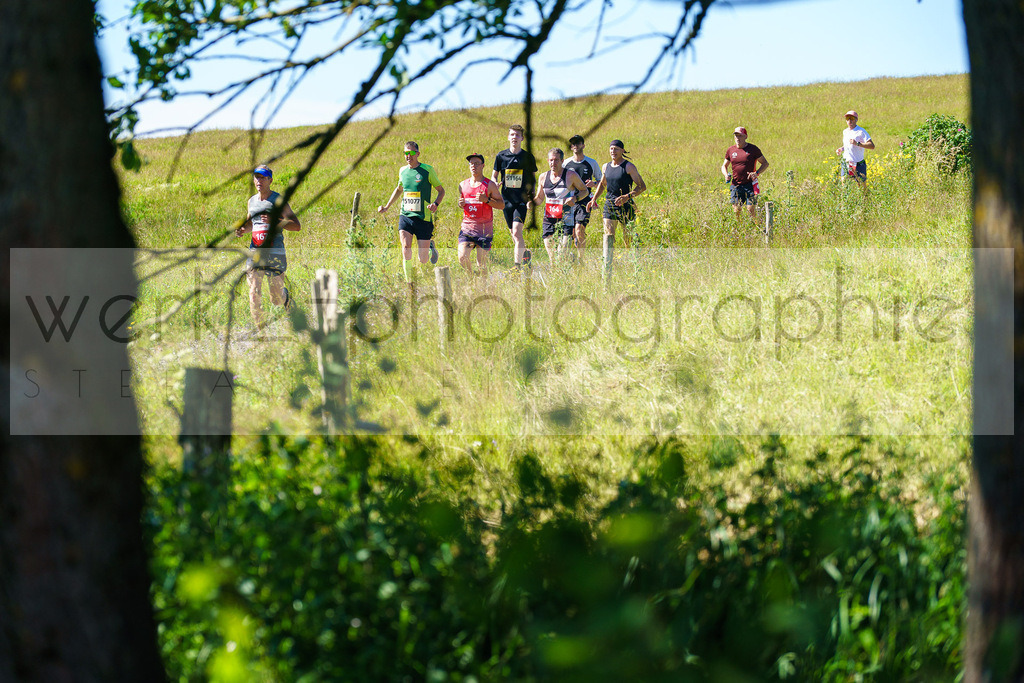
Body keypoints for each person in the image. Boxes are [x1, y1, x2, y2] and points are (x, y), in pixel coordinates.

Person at [235, 164, 301, 330]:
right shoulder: (251, 202)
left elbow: (296, 225)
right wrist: (243, 230)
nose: (259, 180)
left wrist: (276, 221)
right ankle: (260, 333)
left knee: (276, 298)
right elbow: (252, 224)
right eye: (257, 177)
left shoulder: (278, 200)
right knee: (253, 291)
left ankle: (286, 299)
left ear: (270, 180)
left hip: (275, 252)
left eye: (263, 177)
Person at [377, 141, 445, 289]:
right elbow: (399, 189)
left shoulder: (427, 170)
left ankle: (429, 247)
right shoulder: (402, 170)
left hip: (423, 218)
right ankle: (409, 283)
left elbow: (441, 190)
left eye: (411, 153)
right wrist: (387, 206)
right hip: (406, 216)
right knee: (406, 248)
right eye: (406, 153)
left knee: (423, 259)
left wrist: (435, 204)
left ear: (418, 154)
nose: (408, 156)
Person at [491, 124, 537, 269]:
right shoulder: (501, 156)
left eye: (517, 135)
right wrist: (494, 183)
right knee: (514, 234)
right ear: (508, 137)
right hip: (506, 201)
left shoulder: (528, 157)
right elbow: (494, 175)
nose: (514, 138)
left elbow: (532, 179)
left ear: (522, 138)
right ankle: (526, 254)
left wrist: (531, 198)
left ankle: (516, 267)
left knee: (517, 231)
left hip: (521, 201)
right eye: (512, 135)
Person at [533, 148, 589, 262]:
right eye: (551, 160)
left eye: (556, 160)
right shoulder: (543, 177)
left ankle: (570, 260)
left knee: (561, 256)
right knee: (552, 258)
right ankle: (565, 266)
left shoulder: (570, 175)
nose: (553, 163)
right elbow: (539, 198)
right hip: (549, 219)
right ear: (548, 161)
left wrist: (575, 198)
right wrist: (530, 203)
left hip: (566, 218)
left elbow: (585, 191)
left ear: (562, 160)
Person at [588, 139, 646, 249]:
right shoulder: (606, 166)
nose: (613, 151)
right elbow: (603, 183)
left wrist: (627, 196)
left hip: (626, 206)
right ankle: (608, 263)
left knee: (628, 238)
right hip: (609, 205)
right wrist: (594, 199)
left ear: (622, 150)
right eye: (611, 149)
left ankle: (632, 260)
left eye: (616, 149)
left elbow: (642, 186)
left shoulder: (629, 167)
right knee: (608, 236)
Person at [456, 153, 505, 276]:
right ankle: (471, 277)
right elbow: (463, 203)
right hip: (467, 228)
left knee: (482, 265)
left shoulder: (489, 185)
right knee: (462, 257)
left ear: (483, 165)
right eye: (471, 163)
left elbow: (501, 205)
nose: (474, 166)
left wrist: (487, 200)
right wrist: (460, 203)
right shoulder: (462, 185)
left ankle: (482, 288)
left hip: (484, 230)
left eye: (477, 163)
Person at [563, 134, 602, 261]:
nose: (575, 146)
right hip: (569, 201)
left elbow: (602, 181)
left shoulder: (591, 162)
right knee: (571, 232)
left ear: (583, 145)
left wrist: (594, 184)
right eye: (573, 144)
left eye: (578, 143)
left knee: (580, 229)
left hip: (585, 200)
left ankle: (581, 259)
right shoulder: (566, 163)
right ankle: (571, 258)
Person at [721, 126, 769, 227]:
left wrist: (757, 173)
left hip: (749, 184)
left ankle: (757, 227)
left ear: (745, 136)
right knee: (736, 210)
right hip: (735, 185)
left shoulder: (753, 149)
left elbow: (765, 163)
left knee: (750, 209)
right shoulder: (731, 150)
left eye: (740, 136)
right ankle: (739, 228)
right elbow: (724, 166)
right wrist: (726, 175)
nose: (738, 138)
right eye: (736, 136)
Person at [836, 110, 875, 189]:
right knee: (844, 184)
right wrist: (841, 149)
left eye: (852, 118)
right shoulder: (845, 131)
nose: (849, 120)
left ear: (856, 119)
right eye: (847, 118)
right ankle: (846, 200)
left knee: (862, 187)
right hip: (847, 163)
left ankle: (866, 200)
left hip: (858, 164)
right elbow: (847, 145)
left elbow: (872, 146)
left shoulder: (861, 131)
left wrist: (857, 144)